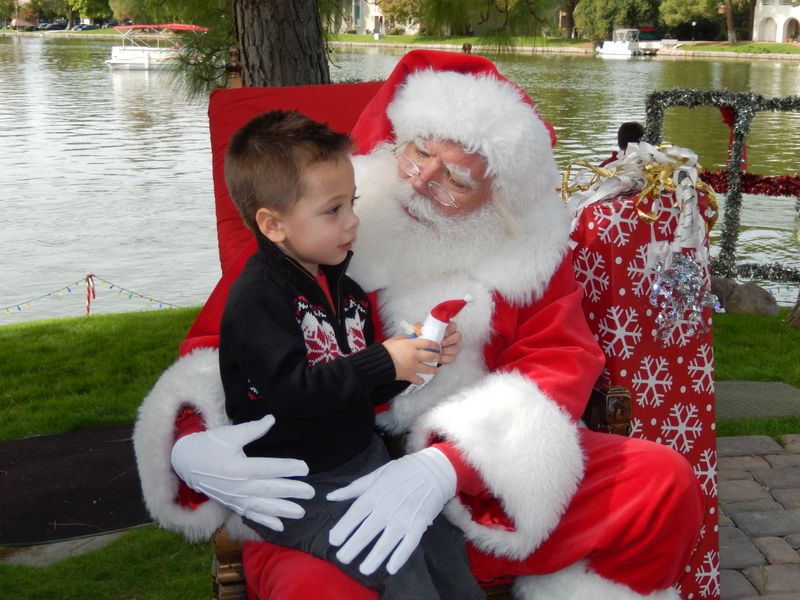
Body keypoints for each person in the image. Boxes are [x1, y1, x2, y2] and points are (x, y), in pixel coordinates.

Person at [134, 50, 704, 600]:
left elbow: (555, 366)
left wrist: (445, 466)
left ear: (498, 197)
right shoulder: (318, 217)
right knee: (317, 589)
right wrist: (191, 445)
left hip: (473, 487)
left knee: (660, 483)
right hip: (323, 482)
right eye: (417, 152)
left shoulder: (526, 256)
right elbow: (218, 345)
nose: (421, 180)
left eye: (456, 178)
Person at [208, 108, 482, 599]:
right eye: (333, 211)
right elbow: (295, 395)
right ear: (272, 224)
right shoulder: (258, 299)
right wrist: (382, 359)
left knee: (442, 538)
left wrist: (418, 358)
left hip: (363, 461)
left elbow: (362, 388)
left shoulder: (347, 289)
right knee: (397, 563)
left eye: (351, 203)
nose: (354, 221)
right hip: (297, 488)